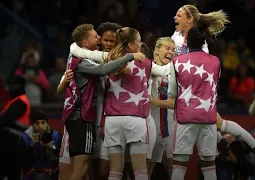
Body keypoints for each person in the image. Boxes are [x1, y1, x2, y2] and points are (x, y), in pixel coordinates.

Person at [170, 5, 255, 166]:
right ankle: (226, 142)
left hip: (196, 89)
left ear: (190, 19)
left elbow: (200, 69)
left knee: (216, 123)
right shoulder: (177, 35)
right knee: (214, 123)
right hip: (188, 89)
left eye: (179, 15)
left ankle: (248, 145)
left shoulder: (200, 42)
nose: (175, 18)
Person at [62, 24, 145, 180]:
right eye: (96, 37)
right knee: (83, 167)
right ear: (85, 43)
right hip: (83, 117)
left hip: (89, 117)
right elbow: (102, 70)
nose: (100, 40)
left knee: (89, 167)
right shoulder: (82, 61)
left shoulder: (81, 58)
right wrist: (129, 57)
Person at [168, 25, 222, 180]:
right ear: (204, 41)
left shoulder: (176, 61)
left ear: (186, 40)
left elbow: (172, 92)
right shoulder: (216, 61)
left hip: (185, 119)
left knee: (179, 167)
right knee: (209, 169)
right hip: (208, 119)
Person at [101, 27, 151, 180]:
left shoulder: (108, 60)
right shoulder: (146, 63)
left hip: (112, 121)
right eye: (139, 40)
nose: (141, 43)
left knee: (115, 171)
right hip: (135, 120)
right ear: (130, 45)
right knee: (140, 171)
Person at [148, 37, 176, 178]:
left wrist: (154, 101)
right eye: (167, 48)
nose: (171, 52)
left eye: (173, 50)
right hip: (151, 127)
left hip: (171, 129)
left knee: (176, 172)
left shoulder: (176, 74)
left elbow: (175, 103)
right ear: (156, 51)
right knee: (146, 172)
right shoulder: (147, 69)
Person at [0, 75, 31, 179]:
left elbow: (4, 120)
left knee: (13, 174)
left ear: (21, 86)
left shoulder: (20, 102)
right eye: (11, 85)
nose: (12, 87)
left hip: (15, 143)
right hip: (9, 143)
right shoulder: (13, 101)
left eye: (15, 85)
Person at [21, 109, 61, 180]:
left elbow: (64, 158)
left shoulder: (56, 136)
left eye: (43, 123)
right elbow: (21, 162)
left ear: (47, 123)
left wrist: (52, 148)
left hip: (54, 172)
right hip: (34, 173)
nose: (40, 126)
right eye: (37, 123)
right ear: (32, 125)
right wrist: (32, 146)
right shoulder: (26, 137)